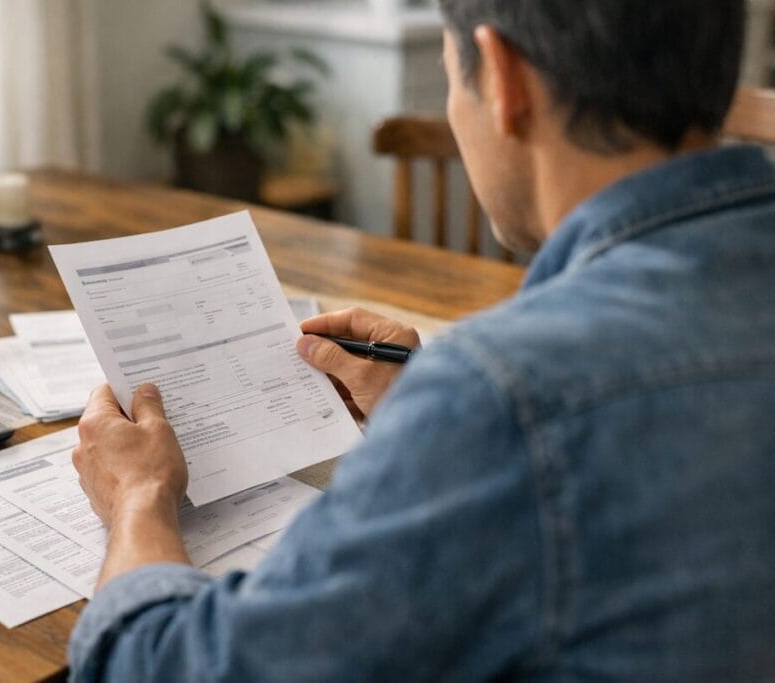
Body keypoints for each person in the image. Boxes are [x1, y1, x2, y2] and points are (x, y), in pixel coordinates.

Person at [68, 1, 775, 679]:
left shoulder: (505, 398)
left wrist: (140, 491)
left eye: (448, 74)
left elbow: (166, 666)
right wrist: (433, 407)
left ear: (502, 77)